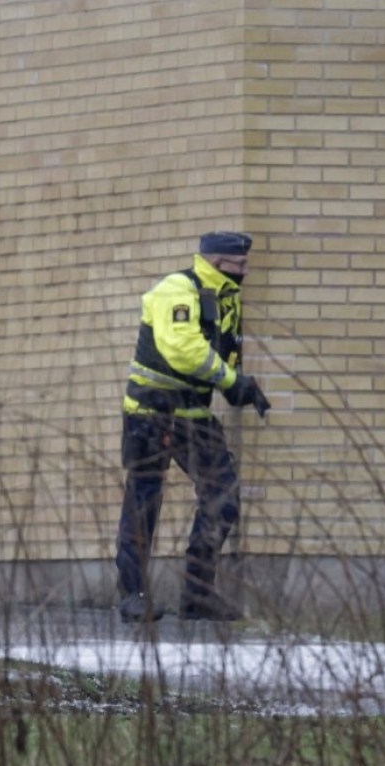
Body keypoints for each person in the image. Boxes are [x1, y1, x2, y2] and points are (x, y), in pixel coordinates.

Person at [115, 231, 271, 623]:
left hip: (195, 416)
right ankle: (133, 596)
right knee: (143, 503)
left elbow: (222, 352)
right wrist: (231, 381)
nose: (245, 271)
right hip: (151, 413)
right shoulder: (177, 289)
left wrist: (241, 386)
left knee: (223, 497)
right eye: (240, 265)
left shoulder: (226, 300)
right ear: (218, 263)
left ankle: (198, 595)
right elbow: (183, 350)